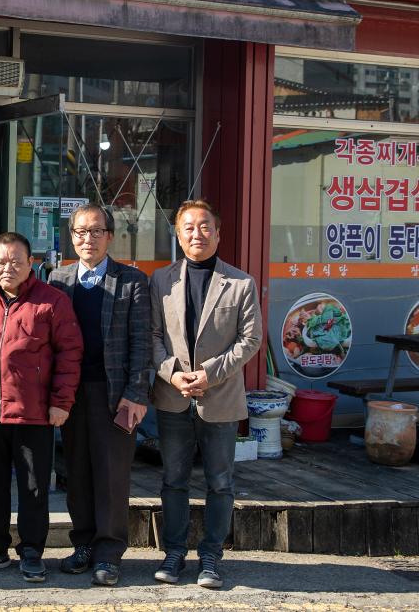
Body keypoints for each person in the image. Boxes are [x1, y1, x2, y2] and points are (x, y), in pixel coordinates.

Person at [149, 200, 263, 589]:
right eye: (188, 228)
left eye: (204, 227)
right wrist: (174, 374)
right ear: (178, 234)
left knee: (220, 481)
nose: (196, 234)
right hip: (173, 394)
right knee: (174, 479)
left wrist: (209, 374)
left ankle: (212, 555)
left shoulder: (240, 283)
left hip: (221, 398)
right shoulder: (161, 280)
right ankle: (175, 551)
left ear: (218, 232)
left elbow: (251, 340)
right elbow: (151, 337)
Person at [0, 232, 83, 583]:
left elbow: (70, 354)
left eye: (15, 260)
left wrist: (61, 402)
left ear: (31, 263)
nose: (7, 267)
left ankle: (31, 551)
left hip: (34, 412)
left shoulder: (52, 302)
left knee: (33, 487)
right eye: (0, 261)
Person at [48, 202, 151, 587]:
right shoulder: (58, 278)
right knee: (76, 472)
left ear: (109, 236)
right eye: (80, 232)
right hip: (71, 393)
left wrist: (136, 393)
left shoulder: (131, 280)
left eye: (95, 231)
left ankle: (109, 553)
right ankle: (83, 544)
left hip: (116, 394)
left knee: (111, 474)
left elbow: (142, 342)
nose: (87, 239)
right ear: (71, 236)